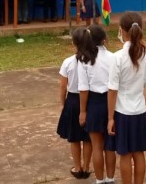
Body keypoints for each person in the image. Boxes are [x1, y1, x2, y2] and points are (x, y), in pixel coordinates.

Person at [108, 12, 146, 184]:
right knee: (139, 153)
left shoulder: (117, 57)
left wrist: (110, 118)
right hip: (140, 111)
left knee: (125, 154)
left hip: (122, 112)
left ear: (121, 30)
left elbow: (112, 90)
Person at [78, 25, 117, 184]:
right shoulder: (114, 57)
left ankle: (100, 181)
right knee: (110, 146)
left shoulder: (84, 59)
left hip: (93, 103)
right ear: (104, 40)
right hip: (112, 103)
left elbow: (83, 89)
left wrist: (82, 111)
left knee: (97, 146)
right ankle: (110, 178)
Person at [57, 28, 92, 179]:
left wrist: (62, 103)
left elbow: (63, 85)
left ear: (74, 43)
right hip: (90, 100)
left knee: (74, 137)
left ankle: (77, 167)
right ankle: (86, 166)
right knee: (88, 137)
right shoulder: (92, 61)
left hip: (72, 100)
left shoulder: (68, 62)